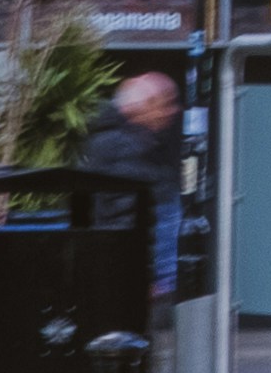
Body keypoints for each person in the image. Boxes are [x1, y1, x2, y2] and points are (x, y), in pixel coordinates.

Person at [74, 59, 189, 303]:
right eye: (165, 103)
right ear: (142, 107)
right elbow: (128, 214)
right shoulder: (128, 148)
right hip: (136, 281)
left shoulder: (132, 143)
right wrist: (149, 276)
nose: (173, 111)